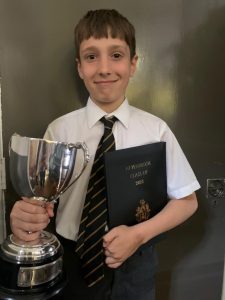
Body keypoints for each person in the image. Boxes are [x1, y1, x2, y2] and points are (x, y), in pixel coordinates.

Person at [10, 9, 200, 300]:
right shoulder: (59, 130)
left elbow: (187, 201)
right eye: (91, 56)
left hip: (136, 262)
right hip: (72, 259)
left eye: (116, 55)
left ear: (133, 63)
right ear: (79, 67)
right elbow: (39, 200)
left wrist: (138, 235)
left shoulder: (156, 130)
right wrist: (26, 218)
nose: (103, 68)